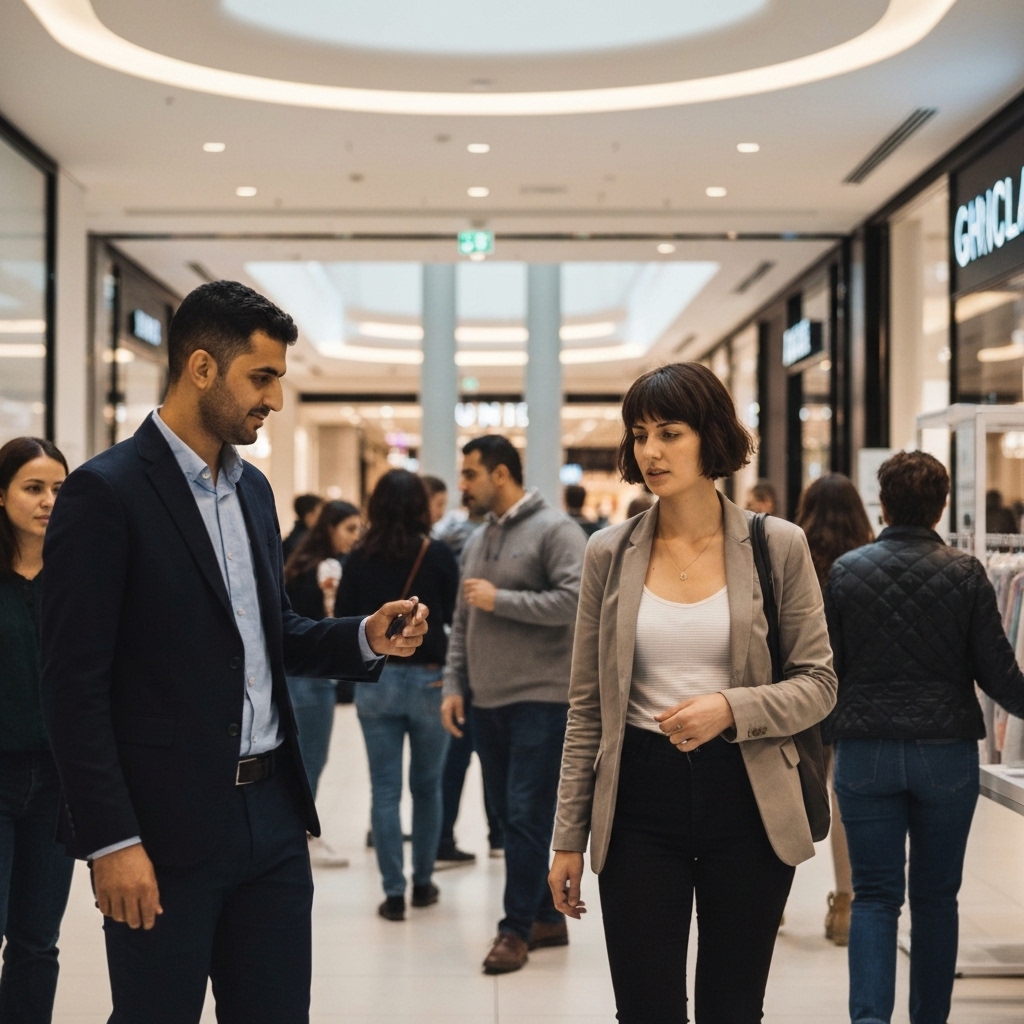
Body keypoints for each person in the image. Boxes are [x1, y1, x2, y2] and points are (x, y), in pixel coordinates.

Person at [40, 280, 428, 1024]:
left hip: (274, 821)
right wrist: (112, 839)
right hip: (161, 827)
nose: (275, 399)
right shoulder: (105, 494)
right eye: (263, 376)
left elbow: (268, 633)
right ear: (201, 369)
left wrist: (362, 635)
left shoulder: (250, 490)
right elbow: (71, 688)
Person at [549, 362, 838, 1024]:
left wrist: (731, 708)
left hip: (749, 797)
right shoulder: (608, 553)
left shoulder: (778, 545)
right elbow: (588, 707)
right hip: (638, 802)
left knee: (732, 1009)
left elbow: (819, 683)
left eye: (670, 433)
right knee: (646, 1009)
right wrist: (568, 833)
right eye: (639, 434)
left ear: (710, 437)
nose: (650, 451)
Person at [824, 450, 1024, 1024]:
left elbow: (827, 669)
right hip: (946, 755)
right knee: (937, 899)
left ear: (881, 503)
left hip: (865, 751)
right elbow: (999, 674)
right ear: (941, 508)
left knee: (875, 898)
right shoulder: (966, 573)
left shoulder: (846, 572)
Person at [442, 435, 587, 975]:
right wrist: (456, 682)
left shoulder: (556, 530)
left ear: (500, 475)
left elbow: (575, 602)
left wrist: (500, 600)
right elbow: (463, 619)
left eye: (470, 474)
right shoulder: (479, 539)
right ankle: (547, 917)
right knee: (505, 815)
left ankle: (515, 930)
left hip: (541, 699)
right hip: (487, 699)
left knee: (525, 814)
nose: (464, 484)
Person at [336, 470, 459, 922]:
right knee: (427, 787)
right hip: (429, 678)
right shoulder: (439, 553)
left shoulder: (359, 555)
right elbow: (452, 615)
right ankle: (423, 883)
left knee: (384, 790)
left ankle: (392, 893)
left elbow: (346, 617)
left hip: (378, 679)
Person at [0, 437, 74, 1024]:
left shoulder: (83, 579)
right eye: (33, 488)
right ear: (1, 496)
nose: (50, 500)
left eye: (59, 489)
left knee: (36, 941)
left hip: (58, 783)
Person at [794, 473, 874, 947]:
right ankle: (844, 902)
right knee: (843, 800)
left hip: (801, 688)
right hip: (853, 691)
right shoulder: (866, 557)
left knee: (791, 795)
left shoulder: (793, 548)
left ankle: (772, 900)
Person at [284, 499, 362, 868]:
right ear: (330, 527)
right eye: (349, 528)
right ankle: (299, 834)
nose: (354, 537)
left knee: (300, 757)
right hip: (312, 677)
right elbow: (330, 619)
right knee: (311, 758)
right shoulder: (326, 567)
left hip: (295, 673)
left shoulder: (300, 561)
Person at [282, 493, 323, 562]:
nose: (323, 518)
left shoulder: (293, 537)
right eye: (320, 514)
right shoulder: (304, 541)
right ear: (309, 516)